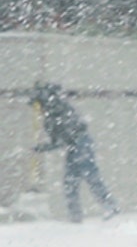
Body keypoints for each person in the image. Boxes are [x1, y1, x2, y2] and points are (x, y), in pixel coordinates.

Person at [29, 82, 118, 222]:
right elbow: (58, 140)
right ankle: (75, 216)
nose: (37, 110)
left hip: (81, 144)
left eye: (37, 105)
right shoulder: (52, 115)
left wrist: (45, 146)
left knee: (90, 176)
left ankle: (110, 207)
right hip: (73, 146)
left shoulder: (57, 110)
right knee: (70, 183)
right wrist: (43, 148)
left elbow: (63, 136)